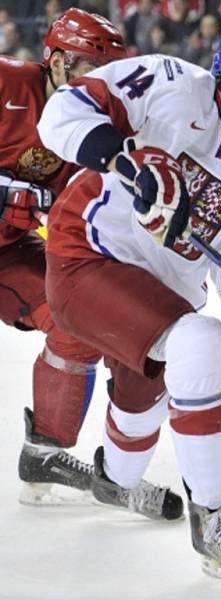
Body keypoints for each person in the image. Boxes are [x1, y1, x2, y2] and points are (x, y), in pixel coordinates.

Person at [37, 16, 221, 586]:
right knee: (201, 342)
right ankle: (214, 518)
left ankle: (112, 476)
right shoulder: (167, 84)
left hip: (159, 296)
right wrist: (124, 160)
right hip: (88, 256)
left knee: (133, 444)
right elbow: (61, 113)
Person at [0, 8, 128, 506]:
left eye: (99, 74)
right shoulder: (6, 82)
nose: (89, 83)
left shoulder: (98, 129)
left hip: (9, 253)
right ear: (53, 60)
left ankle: (44, 450)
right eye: (80, 68)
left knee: (76, 322)